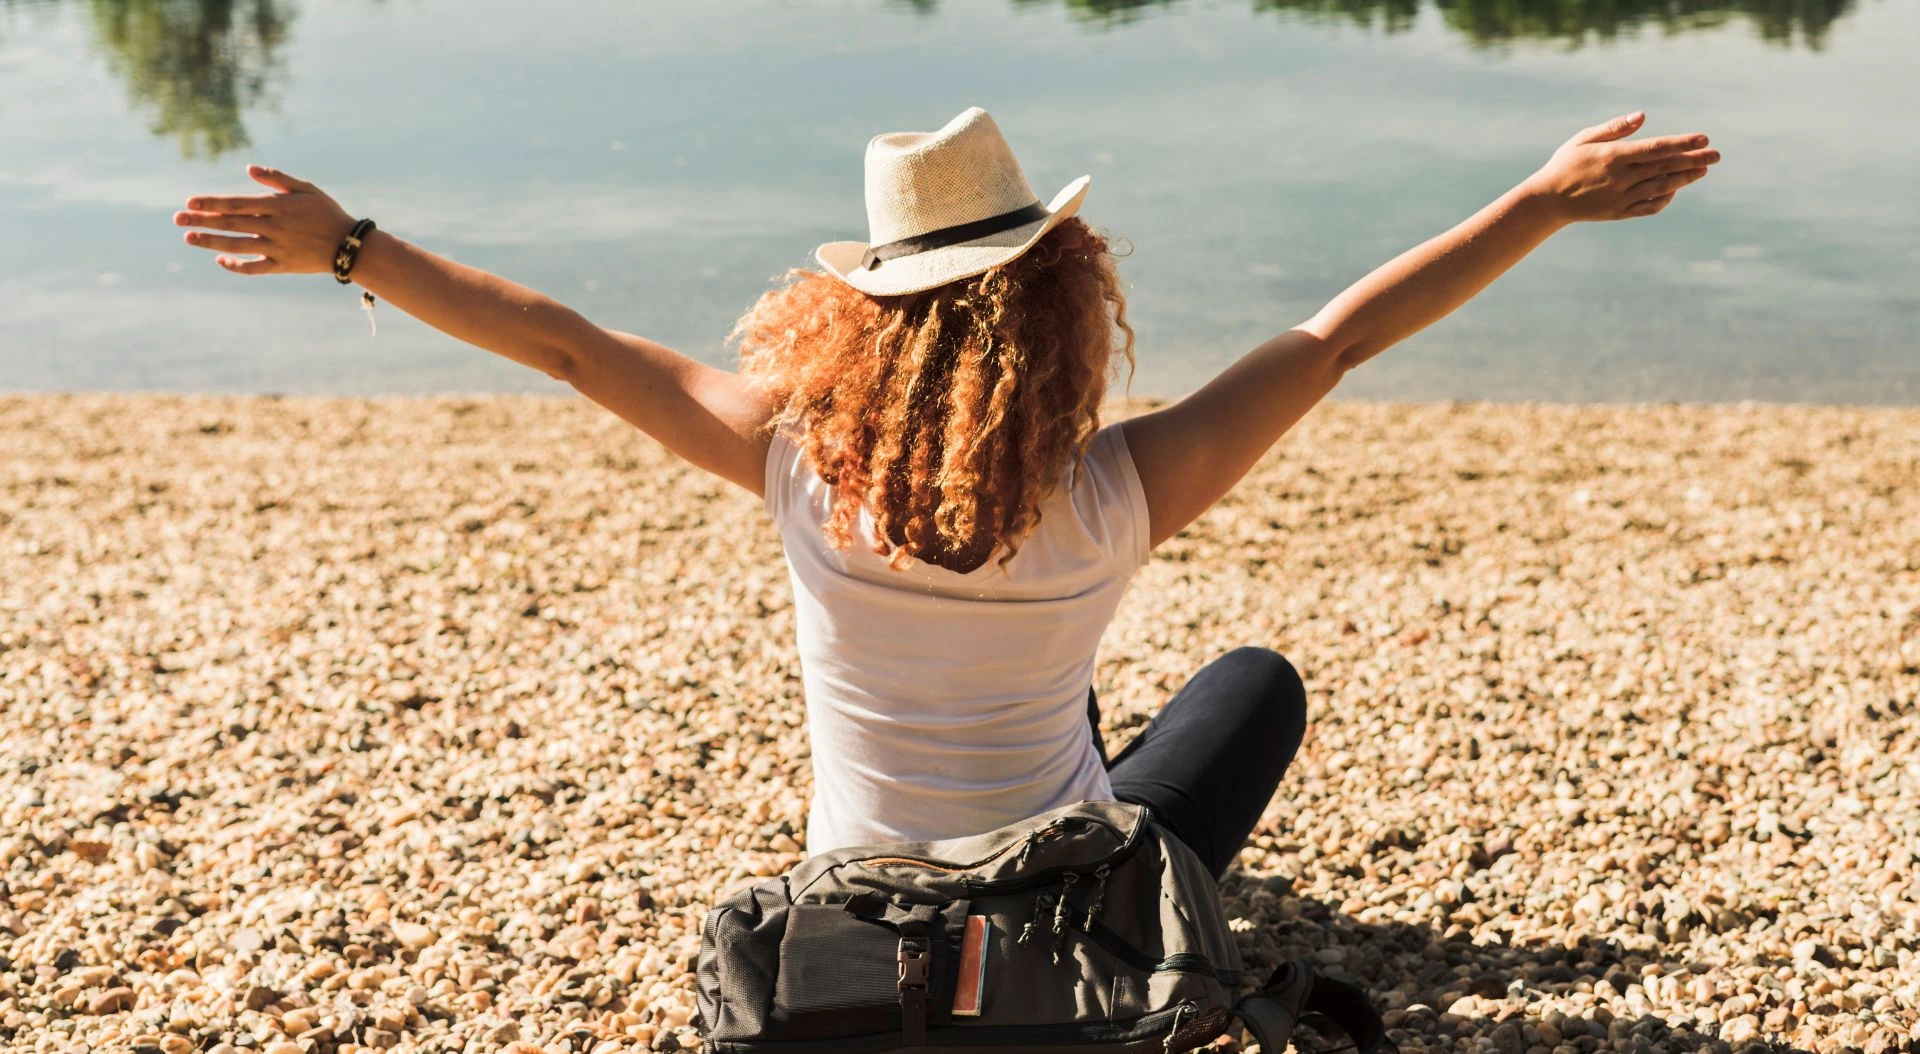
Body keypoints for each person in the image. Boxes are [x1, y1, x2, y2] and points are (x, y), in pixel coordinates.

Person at [170, 106, 1717, 881]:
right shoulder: (1120, 492)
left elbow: (569, 345)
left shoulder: (792, 466)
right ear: (1062, 300)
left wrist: (354, 246)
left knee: (1072, 705)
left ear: (862, 314)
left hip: (858, 914)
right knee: (1246, 684)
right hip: (1067, 913)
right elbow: (1338, 337)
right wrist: (1539, 200)